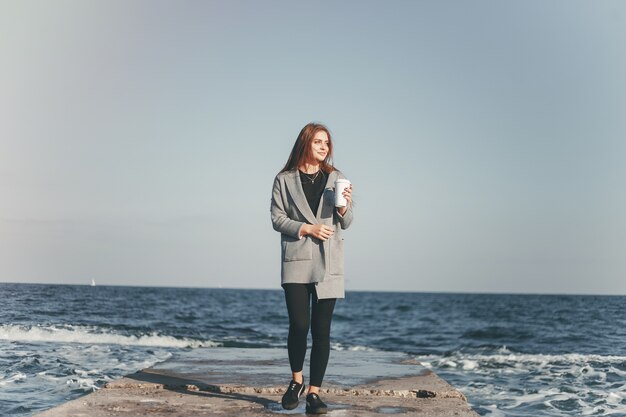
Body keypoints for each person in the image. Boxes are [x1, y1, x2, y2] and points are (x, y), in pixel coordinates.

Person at [270, 122, 353, 414]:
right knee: (299, 325)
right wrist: (307, 228)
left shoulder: (337, 178)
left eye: (327, 143)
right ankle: (296, 381)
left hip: (329, 262)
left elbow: (348, 220)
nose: (324, 147)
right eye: (318, 142)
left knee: (321, 331)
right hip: (296, 261)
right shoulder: (284, 179)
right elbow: (277, 218)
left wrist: (344, 209)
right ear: (305, 143)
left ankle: (314, 394)